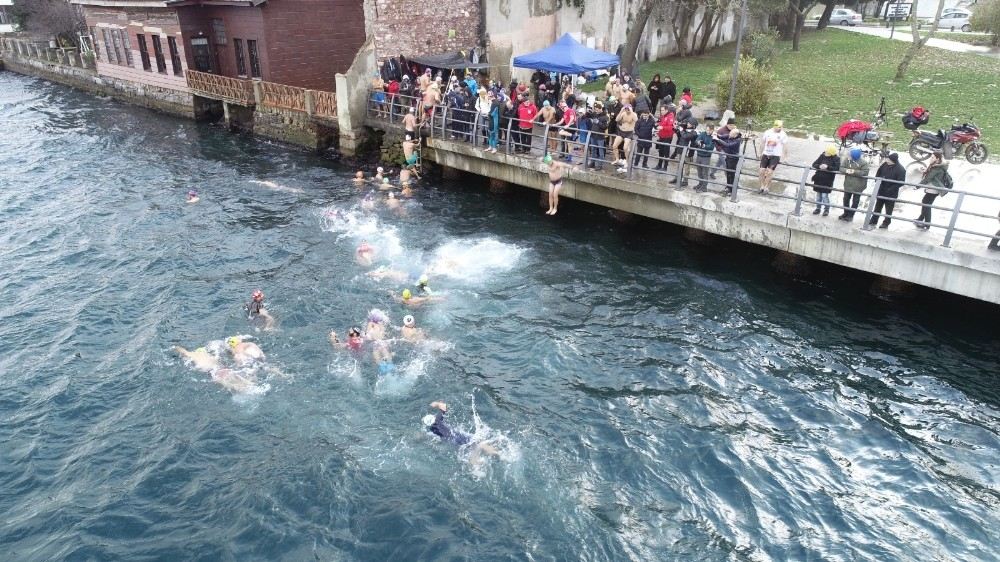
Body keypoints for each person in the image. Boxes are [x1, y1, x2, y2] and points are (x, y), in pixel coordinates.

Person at [423, 401, 498, 465]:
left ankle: (477, 469)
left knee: (472, 447)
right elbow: (443, 406)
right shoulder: (438, 420)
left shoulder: (432, 431)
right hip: (457, 436)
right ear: (433, 418)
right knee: (477, 442)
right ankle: (496, 454)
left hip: (454, 442)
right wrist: (436, 403)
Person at [914, 151, 951, 230]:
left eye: (933, 157)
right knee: (925, 203)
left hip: (934, 189)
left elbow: (928, 179)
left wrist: (917, 186)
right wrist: (925, 170)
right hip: (933, 188)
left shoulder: (937, 167)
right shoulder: (936, 165)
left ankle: (927, 224)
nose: (930, 158)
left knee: (926, 204)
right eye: (931, 157)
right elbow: (930, 174)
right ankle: (920, 219)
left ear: (937, 159)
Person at [870, 153, 907, 229]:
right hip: (881, 189)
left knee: (889, 209)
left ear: (893, 161)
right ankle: (874, 220)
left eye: (888, 159)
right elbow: (878, 172)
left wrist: (890, 189)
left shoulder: (901, 169)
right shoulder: (885, 164)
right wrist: (877, 181)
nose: (887, 160)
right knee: (878, 207)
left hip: (891, 193)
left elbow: (901, 182)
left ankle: (886, 223)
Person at [839, 148, 870, 221]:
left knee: (855, 200)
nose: (848, 155)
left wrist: (853, 171)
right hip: (848, 184)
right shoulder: (847, 160)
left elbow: (864, 172)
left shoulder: (864, 163)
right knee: (846, 199)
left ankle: (851, 215)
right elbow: (841, 168)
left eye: (850, 154)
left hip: (859, 185)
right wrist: (846, 170)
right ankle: (845, 212)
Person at [758, 120, 788, 194]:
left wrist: (785, 157)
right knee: (761, 171)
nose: (780, 128)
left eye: (781, 127)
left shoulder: (783, 134)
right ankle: (762, 186)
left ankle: (766, 187)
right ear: (774, 126)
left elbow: (785, 146)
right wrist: (760, 152)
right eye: (778, 127)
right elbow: (762, 142)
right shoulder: (767, 132)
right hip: (766, 154)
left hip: (775, 156)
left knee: (770, 172)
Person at [810, 145, 840, 216]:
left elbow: (837, 168)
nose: (826, 153)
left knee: (824, 196)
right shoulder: (822, 156)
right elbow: (814, 164)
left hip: (828, 180)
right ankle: (818, 208)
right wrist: (819, 166)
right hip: (819, 178)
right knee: (818, 195)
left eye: (827, 152)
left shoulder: (836, 159)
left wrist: (827, 167)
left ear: (831, 153)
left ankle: (826, 210)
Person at [715, 126, 742, 196]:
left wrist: (718, 140)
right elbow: (722, 137)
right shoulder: (731, 135)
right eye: (729, 133)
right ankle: (728, 186)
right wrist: (716, 135)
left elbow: (728, 145)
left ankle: (732, 189)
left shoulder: (737, 140)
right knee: (728, 172)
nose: (729, 135)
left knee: (731, 173)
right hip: (728, 156)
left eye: (731, 134)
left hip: (733, 158)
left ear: (735, 135)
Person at [611, 104, 637, 171]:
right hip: (621, 131)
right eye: (626, 109)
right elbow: (617, 119)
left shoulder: (633, 114)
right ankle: (617, 159)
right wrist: (621, 110)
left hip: (629, 133)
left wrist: (631, 111)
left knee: (625, 147)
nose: (627, 110)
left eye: (628, 109)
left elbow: (636, 120)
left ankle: (627, 161)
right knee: (614, 146)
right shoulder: (623, 113)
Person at [692, 124, 715, 192]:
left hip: (706, 157)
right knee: (699, 172)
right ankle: (700, 184)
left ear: (712, 130)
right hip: (699, 155)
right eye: (707, 130)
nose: (707, 131)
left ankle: (704, 187)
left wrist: (704, 146)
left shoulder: (714, 137)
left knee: (705, 172)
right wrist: (699, 142)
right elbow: (696, 140)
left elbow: (711, 147)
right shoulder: (702, 133)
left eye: (709, 130)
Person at [654, 104, 675, 171]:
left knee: (666, 152)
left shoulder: (670, 116)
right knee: (661, 151)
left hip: (668, 137)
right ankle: (659, 165)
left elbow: (671, 127)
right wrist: (658, 127)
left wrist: (662, 127)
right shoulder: (663, 116)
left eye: (662, 110)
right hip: (661, 136)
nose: (661, 111)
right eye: (661, 110)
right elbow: (661, 123)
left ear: (666, 110)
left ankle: (665, 167)